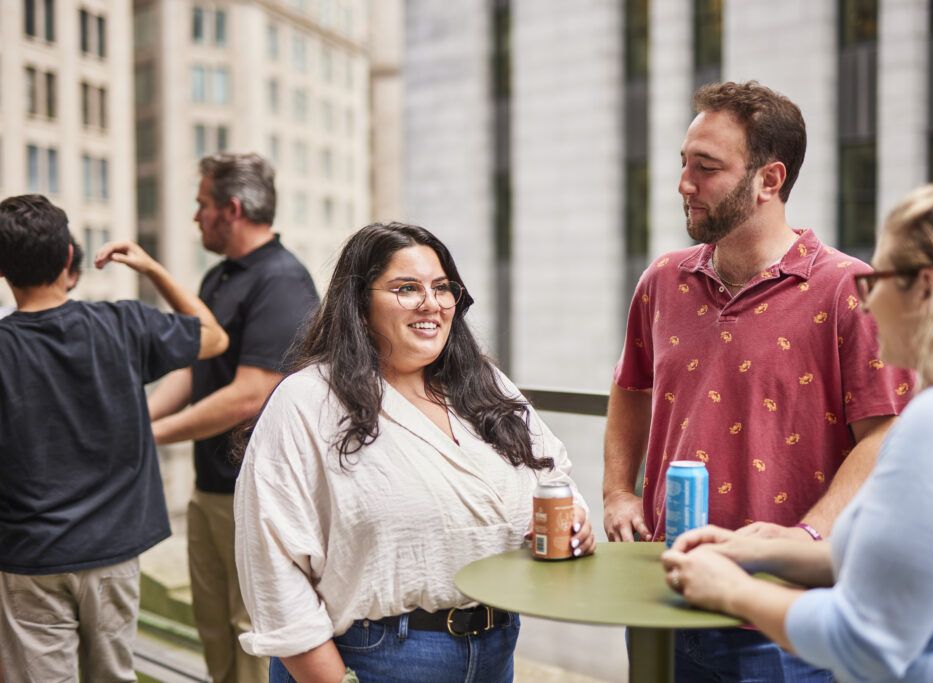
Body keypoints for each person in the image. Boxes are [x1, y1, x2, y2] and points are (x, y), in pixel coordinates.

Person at [603, 80, 916, 681]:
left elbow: (886, 434)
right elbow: (629, 387)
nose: (683, 184)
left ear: (769, 181)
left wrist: (807, 534)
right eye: (684, 164)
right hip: (662, 593)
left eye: (707, 168)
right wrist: (619, 489)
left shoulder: (852, 292)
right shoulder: (662, 280)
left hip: (781, 616)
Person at [663, 186, 933, 682]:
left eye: (877, 280)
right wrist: (764, 549)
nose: (868, 302)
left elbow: (866, 639)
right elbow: (898, 559)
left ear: (924, 287)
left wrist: (731, 590)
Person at [234, 222, 596, 683]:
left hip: (496, 647)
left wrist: (575, 523)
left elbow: (553, 476)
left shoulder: (485, 386)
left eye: (442, 288)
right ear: (360, 304)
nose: (431, 303)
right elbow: (271, 560)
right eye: (407, 288)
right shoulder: (306, 401)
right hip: (371, 659)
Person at [0, 194, 228, 682]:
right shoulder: (122, 324)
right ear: (68, 258)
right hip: (113, 552)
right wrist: (152, 269)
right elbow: (213, 337)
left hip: (28, 556)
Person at [145, 153, 319, 683]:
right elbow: (191, 372)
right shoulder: (218, 277)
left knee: (253, 634)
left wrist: (148, 434)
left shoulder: (283, 280)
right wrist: (136, 416)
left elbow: (251, 394)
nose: (196, 216)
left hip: (258, 495)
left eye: (202, 204)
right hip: (211, 488)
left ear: (233, 209)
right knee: (215, 629)